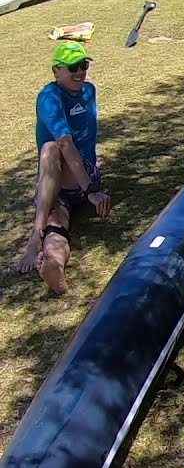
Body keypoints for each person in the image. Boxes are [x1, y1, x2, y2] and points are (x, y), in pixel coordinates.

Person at [17, 42, 111, 294]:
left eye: (83, 65)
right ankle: (55, 264)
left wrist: (90, 189)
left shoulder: (89, 91)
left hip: (83, 178)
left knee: (50, 149)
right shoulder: (49, 98)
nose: (80, 71)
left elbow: (72, 144)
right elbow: (65, 143)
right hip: (58, 186)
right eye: (72, 67)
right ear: (56, 71)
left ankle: (34, 238)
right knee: (57, 222)